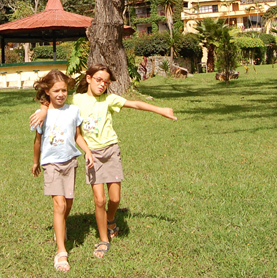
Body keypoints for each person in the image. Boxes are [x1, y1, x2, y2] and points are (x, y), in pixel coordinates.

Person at [29, 64, 177, 259]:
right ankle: (103, 239)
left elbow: (136, 104)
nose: (102, 84)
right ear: (89, 78)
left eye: (106, 82)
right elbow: (55, 97)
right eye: (98, 79)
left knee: (114, 199)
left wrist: (161, 110)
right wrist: (43, 109)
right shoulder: (77, 100)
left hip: (111, 150)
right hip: (92, 155)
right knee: (100, 200)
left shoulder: (109, 100)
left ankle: (110, 219)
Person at [31, 70, 95, 272]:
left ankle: (62, 226)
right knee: (58, 204)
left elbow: (77, 136)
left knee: (68, 203)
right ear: (47, 92)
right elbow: (38, 141)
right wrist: (35, 162)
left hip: (70, 161)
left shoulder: (73, 111)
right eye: (56, 90)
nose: (60, 94)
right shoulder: (43, 113)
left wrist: (87, 152)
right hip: (51, 163)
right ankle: (61, 252)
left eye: (64, 90)